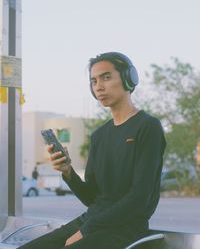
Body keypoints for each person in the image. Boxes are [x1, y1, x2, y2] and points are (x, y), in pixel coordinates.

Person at [18, 52, 166, 249]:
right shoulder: (99, 135)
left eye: (106, 77)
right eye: (94, 81)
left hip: (126, 228)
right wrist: (68, 172)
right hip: (92, 221)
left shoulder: (148, 127)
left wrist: (86, 231)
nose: (99, 86)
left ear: (129, 78)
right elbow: (92, 198)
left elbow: (139, 198)